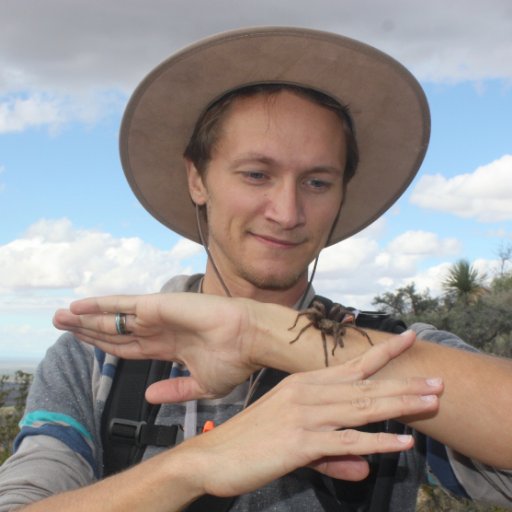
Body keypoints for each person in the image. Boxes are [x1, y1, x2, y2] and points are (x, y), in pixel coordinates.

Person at [0, 26, 511, 511]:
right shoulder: (99, 363)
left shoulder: (394, 349)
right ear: (198, 180)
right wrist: (196, 465)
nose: (287, 213)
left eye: (316, 182)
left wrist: (265, 335)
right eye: (256, 174)